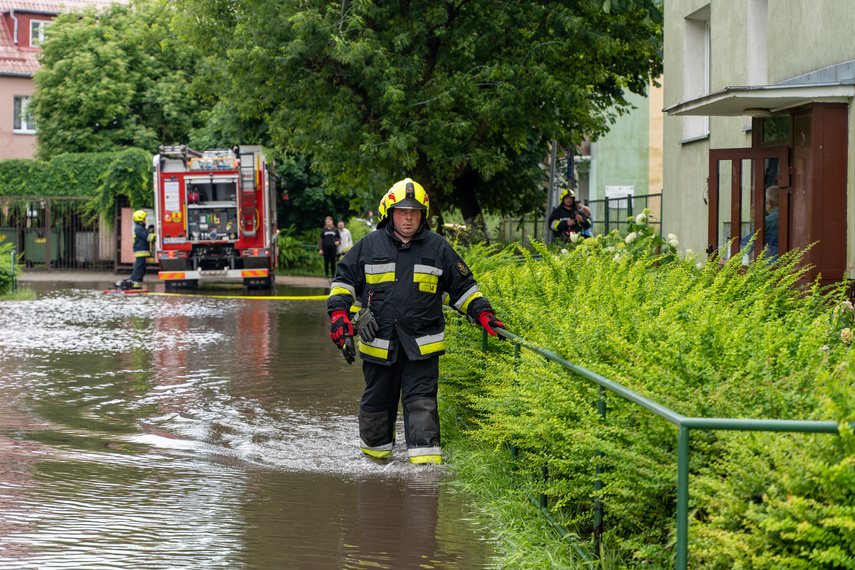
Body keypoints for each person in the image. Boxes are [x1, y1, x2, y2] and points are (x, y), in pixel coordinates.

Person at [327, 178, 506, 465]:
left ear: (423, 214)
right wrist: (340, 317)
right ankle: (374, 472)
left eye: (414, 211)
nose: (408, 217)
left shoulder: (438, 248)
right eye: (401, 211)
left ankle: (424, 478)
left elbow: (461, 289)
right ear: (390, 213)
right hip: (379, 346)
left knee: (422, 407)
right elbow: (344, 283)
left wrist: (483, 313)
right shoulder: (368, 246)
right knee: (375, 408)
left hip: (421, 349)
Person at [123, 210, 154, 289]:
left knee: (142, 267)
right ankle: (133, 281)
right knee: (139, 267)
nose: (145, 220)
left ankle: (138, 283)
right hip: (140, 251)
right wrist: (157, 236)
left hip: (142, 251)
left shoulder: (141, 228)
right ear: (141, 220)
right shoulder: (139, 228)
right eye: (144, 218)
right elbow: (148, 237)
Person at [763, 185, 779, 262]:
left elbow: (747, 244)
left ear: (768, 204)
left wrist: (728, 260)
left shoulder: (767, 221)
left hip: (771, 265)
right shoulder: (792, 217)